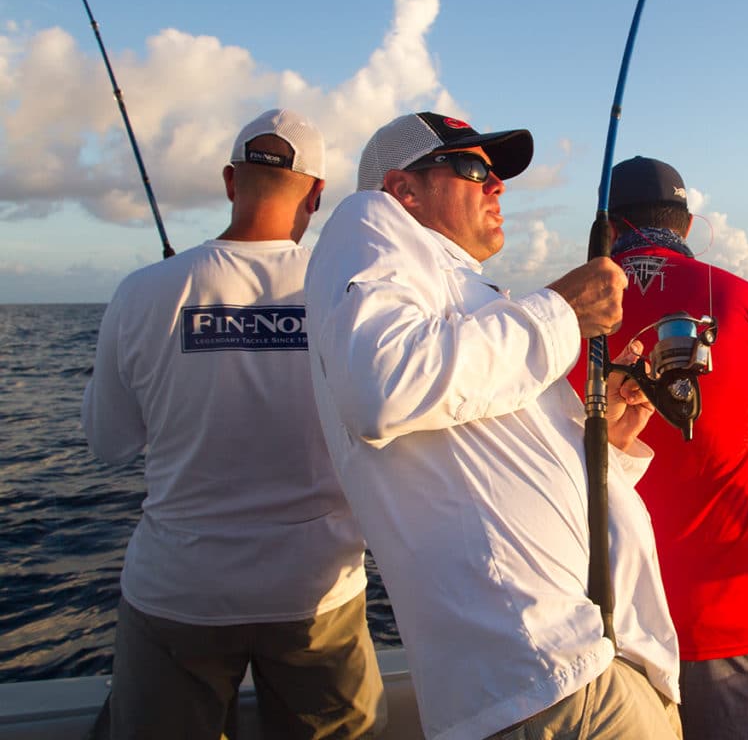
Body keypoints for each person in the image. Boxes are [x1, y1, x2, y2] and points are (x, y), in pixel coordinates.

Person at [304, 111, 682, 740]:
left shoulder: (457, 298)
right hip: (550, 683)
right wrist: (561, 310)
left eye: (497, 173)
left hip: (579, 672)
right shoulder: (366, 221)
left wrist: (609, 442)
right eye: (474, 168)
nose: (497, 185)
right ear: (404, 190)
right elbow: (382, 386)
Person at [81, 108, 384, 739]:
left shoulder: (141, 292)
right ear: (319, 194)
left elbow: (108, 443)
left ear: (228, 182)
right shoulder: (353, 294)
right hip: (317, 595)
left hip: (179, 593)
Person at [572, 155, 748, 739]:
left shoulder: (554, 316)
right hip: (726, 625)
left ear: (607, 229)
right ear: (688, 225)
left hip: (600, 629)